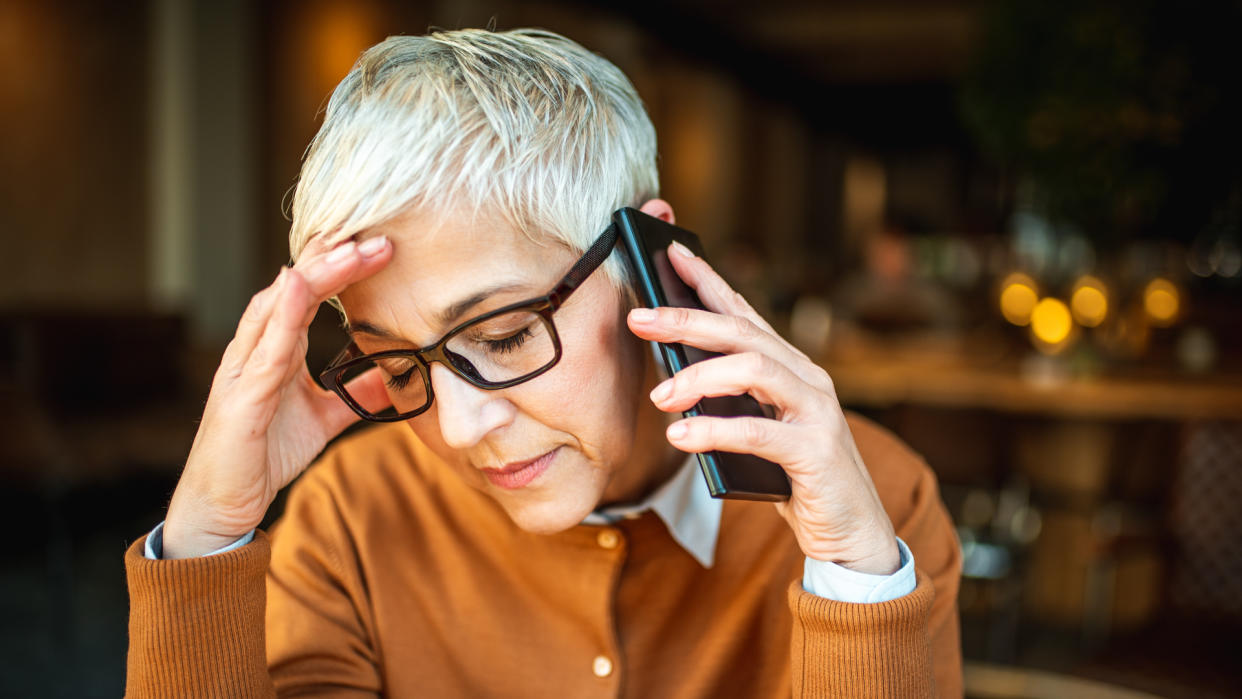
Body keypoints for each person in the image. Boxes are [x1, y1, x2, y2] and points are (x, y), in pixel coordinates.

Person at [124, 28, 961, 698]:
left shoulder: (873, 507)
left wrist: (855, 587)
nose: (457, 428)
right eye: (404, 367)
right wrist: (206, 538)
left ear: (650, 261)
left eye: (504, 336)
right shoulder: (353, 516)